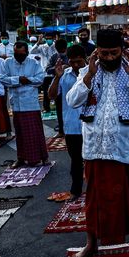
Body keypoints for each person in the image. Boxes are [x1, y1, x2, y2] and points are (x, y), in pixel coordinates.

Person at [66, 29, 129, 257]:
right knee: (93, 200)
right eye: (104, 53)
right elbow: (72, 101)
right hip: (96, 148)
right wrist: (88, 76)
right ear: (97, 52)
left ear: (122, 51)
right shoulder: (88, 71)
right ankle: (91, 244)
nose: (109, 58)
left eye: (113, 53)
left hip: (125, 147)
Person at [0, 41, 49, 168]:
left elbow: (40, 79)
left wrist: (28, 80)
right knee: (20, 133)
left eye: (21, 54)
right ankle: (21, 158)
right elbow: (2, 78)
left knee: (34, 132)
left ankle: (41, 157)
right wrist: (18, 80)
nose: (18, 56)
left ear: (26, 52)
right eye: (16, 54)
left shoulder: (34, 63)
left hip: (30, 103)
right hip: (16, 104)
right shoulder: (7, 63)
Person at [48, 44, 87, 201]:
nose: (76, 65)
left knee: (97, 161)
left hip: (92, 125)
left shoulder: (92, 73)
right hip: (72, 126)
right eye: (73, 62)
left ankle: (97, 190)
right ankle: (76, 190)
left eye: (79, 61)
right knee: (76, 161)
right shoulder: (64, 75)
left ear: (85, 59)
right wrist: (57, 77)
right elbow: (51, 95)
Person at [31, 34, 59, 113]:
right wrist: (38, 42)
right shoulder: (42, 46)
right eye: (47, 39)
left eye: (50, 38)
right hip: (45, 72)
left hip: (56, 72)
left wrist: (57, 42)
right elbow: (32, 51)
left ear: (53, 38)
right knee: (46, 91)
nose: (49, 40)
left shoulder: (55, 46)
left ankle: (57, 106)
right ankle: (46, 108)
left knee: (57, 90)